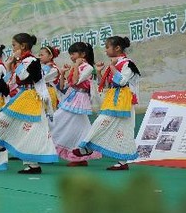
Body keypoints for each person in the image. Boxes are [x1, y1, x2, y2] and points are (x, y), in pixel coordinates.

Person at [0, 33, 57, 174]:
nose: (12, 48)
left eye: (14, 45)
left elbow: (25, 76)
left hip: (32, 96)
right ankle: (0, 144)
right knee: (7, 119)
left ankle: (32, 164)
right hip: (24, 95)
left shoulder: (32, 61)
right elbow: (12, 80)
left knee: (30, 129)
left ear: (23, 46)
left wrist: (17, 61)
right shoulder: (24, 61)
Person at [78, 36, 141, 170]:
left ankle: (88, 147)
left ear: (117, 48)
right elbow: (106, 84)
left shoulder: (127, 63)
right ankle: (88, 146)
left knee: (122, 128)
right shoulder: (115, 64)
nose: (105, 50)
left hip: (123, 100)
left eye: (107, 47)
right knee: (103, 122)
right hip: (113, 99)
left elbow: (122, 81)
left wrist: (112, 67)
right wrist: (100, 72)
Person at [54, 42, 100, 166]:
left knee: (62, 121)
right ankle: (80, 154)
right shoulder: (77, 66)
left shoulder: (88, 67)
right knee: (78, 126)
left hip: (79, 99)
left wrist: (76, 65)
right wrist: (63, 73)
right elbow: (65, 86)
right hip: (72, 97)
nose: (71, 56)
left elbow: (75, 81)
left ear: (83, 54)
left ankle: (80, 153)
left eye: (73, 53)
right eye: (70, 54)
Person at [38, 45, 62, 111]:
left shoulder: (54, 69)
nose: (40, 57)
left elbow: (40, 78)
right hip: (41, 92)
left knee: (49, 114)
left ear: (50, 56)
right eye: (39, 55)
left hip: (49, 93)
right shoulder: (43, 67)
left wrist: (46, 68)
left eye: (42, 55)